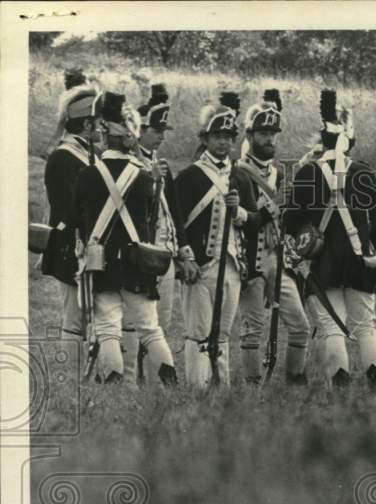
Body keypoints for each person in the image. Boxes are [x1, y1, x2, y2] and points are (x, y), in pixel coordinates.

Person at [285, 89, 376, 387]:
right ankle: (375, 386)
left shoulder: (307, 173)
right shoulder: (363, 172)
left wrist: (306, 245)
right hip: (359, 258)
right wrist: (369, 245)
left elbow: (290, 221)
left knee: (332, 328)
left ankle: (340, 389)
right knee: (366, 327)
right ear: (350, 140)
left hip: (323, 261)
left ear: (323, 138)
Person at [72, 91, 177, 385]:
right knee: (151, 329)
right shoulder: (143, 177)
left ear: (105, 134)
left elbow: (78, 219)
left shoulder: (87, 175)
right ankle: (172, 386)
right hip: (136, 263)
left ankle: (114, 389)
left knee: (108, 329)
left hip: (102, 263)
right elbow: (149, 220)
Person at [174, 91, 260, 385]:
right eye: (217, 136)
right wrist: (185, 257)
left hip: (233, 266)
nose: (223, 142)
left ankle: (220, 392)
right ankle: (198, 389)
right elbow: (176, 222)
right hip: (201, 266)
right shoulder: (189, 177)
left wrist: (240, 214)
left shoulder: (241, 177)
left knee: (222, 334)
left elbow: (256, 221)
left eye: (228, 137)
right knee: (199, 333)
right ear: (206, 139)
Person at [235, 89, 310, 384]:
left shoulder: (277, 175)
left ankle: (295, 381)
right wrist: (270, 209)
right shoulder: (238, 173)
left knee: (300, 325)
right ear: (250, 135)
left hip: (276, 258)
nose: (269, 139)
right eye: (264, 133)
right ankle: (252, 387)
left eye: (273, 134)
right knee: (251, 329)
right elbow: (241, 220)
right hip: (249, 258)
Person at [133, 83, 197, 380]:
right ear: (140, 130)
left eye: (163, 131)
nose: (161, 136)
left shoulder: (162, 165)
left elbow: (174, 214)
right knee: (139, 323)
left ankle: (151, 379)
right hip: (141, 253)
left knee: (162, 321)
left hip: (164, 253)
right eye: (156, 130)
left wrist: (184, 250)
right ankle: (135, 379)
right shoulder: (132, 165)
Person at [41, 69, 100, 344]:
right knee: (74, 320)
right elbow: (66, 211)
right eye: (98, 122)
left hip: (90, 245)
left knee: (93, 319)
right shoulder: (63, 158)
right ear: (87, 124)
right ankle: (71, 369)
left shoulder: (89, 153)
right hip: (71, 247)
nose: (102, 127)